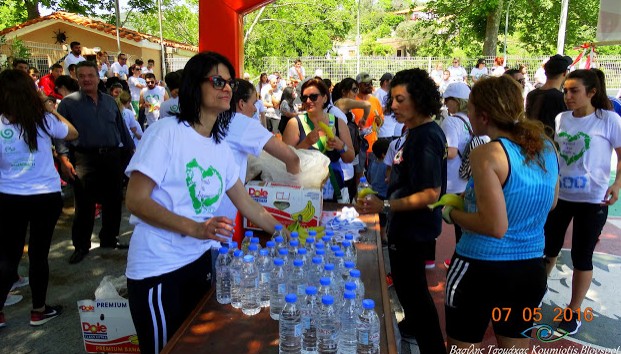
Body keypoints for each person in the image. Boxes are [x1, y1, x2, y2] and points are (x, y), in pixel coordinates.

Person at [124, 51, 286, 354]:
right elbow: (135, 199)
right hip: (159, 269)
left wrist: (283, 232)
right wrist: (196, 228)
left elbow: (247, 204)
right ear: (193, 86)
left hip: (199, 262)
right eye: (217, 80)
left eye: (230, 82)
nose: (226, 88)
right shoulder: (166, 133)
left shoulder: (218, 146)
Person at [443, 75, 558, 350]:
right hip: (529, 269)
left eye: (468, 108)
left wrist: (451, 213)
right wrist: (471, 199)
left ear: (482, 115)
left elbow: (495, 226)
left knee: (462, 348)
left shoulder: (486, 153)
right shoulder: (545, 147)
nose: (465, 114)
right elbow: (550, 202)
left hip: (480, 267)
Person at [355, 68, 447, 354]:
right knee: (410, 296)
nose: (392, 105)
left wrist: (385, 205)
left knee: (416, 296)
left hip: (414, 231)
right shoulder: (414, 132)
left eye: (400, 99)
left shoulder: (426, 136)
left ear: (418, 100)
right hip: (405, 229)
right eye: (392, 99)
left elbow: (431, 193)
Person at [544, 69, 621, 335]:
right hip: (560, 198)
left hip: (594, 200)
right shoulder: (561, 118)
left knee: (581, 256)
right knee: (548, 250)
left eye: (574, 90)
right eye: (565, 90)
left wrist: (617, 184)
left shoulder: (608, 120)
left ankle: (573, 311)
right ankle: (533, 296)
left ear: (592, 92)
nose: (567, 96)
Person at [0, 69, 79, 327]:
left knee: (8, 256)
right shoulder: (43, 120)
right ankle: (38, 310)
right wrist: (49, 107)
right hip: (44, 196)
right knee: (38, 254)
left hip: (9, 197)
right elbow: (72, 132)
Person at [56, 60, 135, 264]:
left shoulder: (109, 101)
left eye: (90, 75)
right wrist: (64, 159)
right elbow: (60, 135)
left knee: (113, 200)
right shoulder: (68, 103)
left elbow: (122, 130)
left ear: (98, 77)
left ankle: (109, 238)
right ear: (77, 78)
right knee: (84, 204)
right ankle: (81, 246)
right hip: (83, 158)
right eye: (81, 76)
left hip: (111, 156)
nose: (86, 79)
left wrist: (129, 152)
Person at [216, 79, 300, 226]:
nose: (256, 109)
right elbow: (291, 158)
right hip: (223, 215)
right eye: (254, 103)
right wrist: (298, 195)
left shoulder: (213, 119)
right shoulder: (242, 122)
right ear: (241, 104)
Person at [439, 82, 489, 269]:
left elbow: (450, 152)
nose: (446, 104)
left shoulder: (451, 121)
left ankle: (455, 261)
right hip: (468, 176)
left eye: (448, 100)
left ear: (456, 101)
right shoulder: (472, 120)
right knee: (464, 227)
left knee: (450, 218)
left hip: (452, 179)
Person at [283, 79, 355, 202]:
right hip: (304, 191)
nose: (308, 101)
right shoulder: (295, 124)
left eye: (313, 97)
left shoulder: (338, 123)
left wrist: (341, 146)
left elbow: (350, 158)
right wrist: (306, 143)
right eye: (304, 98)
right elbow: (283, 161)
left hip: (333, 190)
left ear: (325, 98)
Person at [332, 78, 371, 200]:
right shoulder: (342, 102)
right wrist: (364, 118)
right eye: (354, 90)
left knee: (354, 182)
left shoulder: (345, 109)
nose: (356, 93)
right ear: (344, 91)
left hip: (349, 153)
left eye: (357, 90)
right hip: (342, 156)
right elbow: (367, 105)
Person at [526, 54, 572, 136]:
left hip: (530, 140)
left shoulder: (531, 95)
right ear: (565, 73)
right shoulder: (561, 98)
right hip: (552, 144)